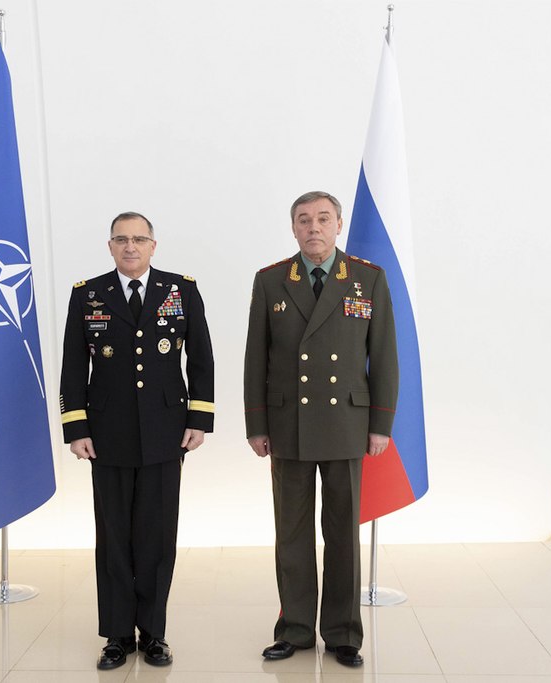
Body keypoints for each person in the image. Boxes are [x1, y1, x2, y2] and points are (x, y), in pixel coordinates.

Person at [243, 191, 398, 669]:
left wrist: (380, 423)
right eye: (304, 220)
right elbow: (256, 358)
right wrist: (256, 423)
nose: (314, 227)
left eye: (323, 219)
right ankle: (294, 629)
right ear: (293, 228)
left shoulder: (367, 279)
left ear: (338, 225)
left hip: (346, 423)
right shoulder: (271, 280)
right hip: (288, 424)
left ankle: (343, 634)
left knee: (342, 534)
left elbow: (386, 356)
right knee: (291, 533)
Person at [59, 212, 214, 670]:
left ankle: (154, 634)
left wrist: (199, 418)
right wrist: (76, 428)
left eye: (139, 239)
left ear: (153, 246)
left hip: (167, 434)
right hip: (106, 436)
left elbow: (201, 358)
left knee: (157, 537)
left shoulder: (181, 290)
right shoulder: (87, 295)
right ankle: (117, 635)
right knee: (113, 540)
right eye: (121, 239)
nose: (130, 247)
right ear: (110, 246)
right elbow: (72, 365)